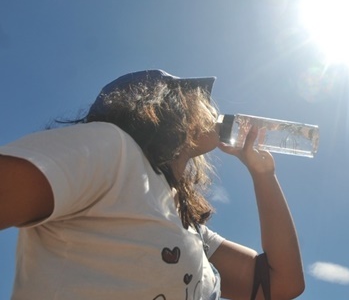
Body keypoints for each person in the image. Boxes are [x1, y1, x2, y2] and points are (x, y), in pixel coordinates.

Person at [0, 69, 305, 300]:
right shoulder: (111, 149)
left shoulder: (190, 228)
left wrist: (264, 175)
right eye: (197, 97)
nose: (211, 108)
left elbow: (283, 283)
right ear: (162, 106)